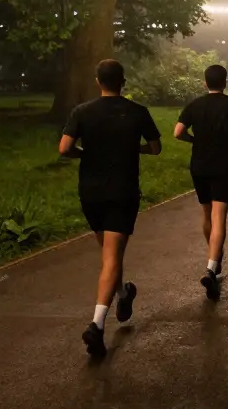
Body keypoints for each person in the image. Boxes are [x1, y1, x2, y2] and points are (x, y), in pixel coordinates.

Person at [58, 59, 162, 356]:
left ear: (97, 81)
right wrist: (133, 148)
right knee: (112, 257)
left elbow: (64, 148)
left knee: (109, 255)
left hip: (90, 191)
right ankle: (97, 324)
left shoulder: (82, 111)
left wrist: (85, 154)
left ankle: (123, 292)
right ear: (123, 82)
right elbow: (156, 148)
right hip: (122, 190)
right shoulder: (137, 112)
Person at [174, 64, 228, 300]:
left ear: (204, 82)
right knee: (219, 216)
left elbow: (177, 132)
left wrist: (194, 140)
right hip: (224, 165)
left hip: (199, 165)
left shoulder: (194, 105)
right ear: (226, 82)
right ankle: (211, 266)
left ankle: (214, 255)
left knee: (206, 213)